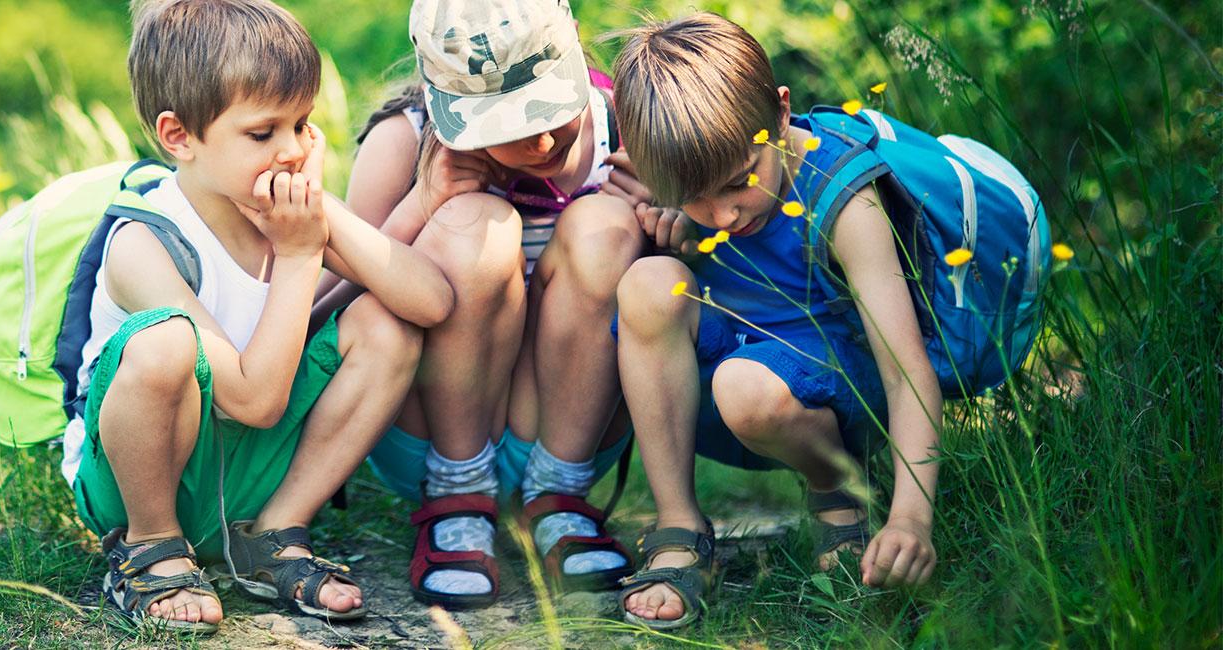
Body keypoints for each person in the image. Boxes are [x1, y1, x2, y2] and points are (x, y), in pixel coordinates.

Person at [64, 0, 454, 634]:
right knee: (166, 342)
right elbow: (253, 401)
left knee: (388, 327)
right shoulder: (145, 242)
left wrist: (322, 223)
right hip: (144, 474)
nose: (293, 151)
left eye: (303, 125)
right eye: (263, 132)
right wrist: (301, 255)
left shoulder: (289, 207)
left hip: (252, 475)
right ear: (179, 136)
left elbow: (431, 302)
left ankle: (274, 533)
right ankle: (152, 548)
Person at [335, 0, 690, 607]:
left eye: (549, 107)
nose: (544, 139)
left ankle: (560, 496)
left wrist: (675, 222)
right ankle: (455, 494)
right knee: (478, 222)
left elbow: (689, 291)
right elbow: (336, 308)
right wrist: (423, 204)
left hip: (563, 430)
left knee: (605, 224)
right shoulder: (404, 139)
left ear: (575, 45)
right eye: (507, 126)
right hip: (427, 439)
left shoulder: (626, 125)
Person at [607, 12, 953, 630]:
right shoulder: (699, 180)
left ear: (781, 111)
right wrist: (675, 231)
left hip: (842, 396)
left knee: (744, 386)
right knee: (647, 283)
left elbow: (906, 373)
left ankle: (837, 488)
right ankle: (680, 525)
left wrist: (912, 518)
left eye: (740, 183)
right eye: (696, 197)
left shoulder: (842, 197)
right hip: (738, 374)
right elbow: (700, 229)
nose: (724, 214)